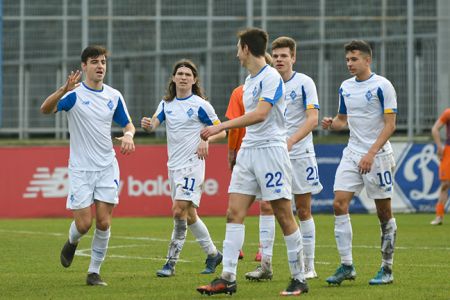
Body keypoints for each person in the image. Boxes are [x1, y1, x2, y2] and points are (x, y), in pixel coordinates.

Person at [197, 27, 308, 296]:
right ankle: (227, 278)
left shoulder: (271, 77)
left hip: (271, 152)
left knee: (283, 214)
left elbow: (260, 115)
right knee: (233, 213)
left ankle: (299, 279)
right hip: (248, 151)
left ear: (246, 48)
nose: (236, 54)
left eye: (238, 48)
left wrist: (220, 127)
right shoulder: (248, 81)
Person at [40, 45, 136, 286]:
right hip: (81, 169)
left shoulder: (113, 96)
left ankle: (94, 272)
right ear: (84, 67)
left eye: (103, 61)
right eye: (94, 62)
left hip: (107, 166)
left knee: (104, 222)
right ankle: (72, 241)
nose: (100, 66)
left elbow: (128, 124)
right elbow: (45, 110)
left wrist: (129, 136)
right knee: (84, 224)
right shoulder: (74, 94)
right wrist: (64, 89)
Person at [245, 36, 322, 282]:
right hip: (273, 153)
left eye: (284, 56)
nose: (279, 59)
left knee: (302, 209)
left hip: (299, 153)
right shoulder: (266, 80)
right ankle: (265, 265)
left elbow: (312, 119)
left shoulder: (304, 83)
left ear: (293, 58)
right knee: (267, 205)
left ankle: (309, 266)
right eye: (275, 55)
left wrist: (291, 141)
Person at [321, 40, 397, 286]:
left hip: (378, 156)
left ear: (367, 60)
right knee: (339, 204)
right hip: (352, 152)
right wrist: (333, 124)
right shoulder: (345, 87)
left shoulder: (382, 86)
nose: (349, 64)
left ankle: (387, 268)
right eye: (347, 60)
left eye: (354, 59)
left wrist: (371, 153)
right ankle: (346, 265)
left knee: (384, 213)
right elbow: (344, 120)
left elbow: (390, 125)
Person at [141, 59, 225, 278]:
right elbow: (154, 125)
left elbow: (222, 131)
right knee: (189, 215)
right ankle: (213, 254)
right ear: (173, 78)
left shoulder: (200, 105)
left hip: (193, 164)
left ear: (194, 79)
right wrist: (147, 125)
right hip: (173, 166)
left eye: (188, 74)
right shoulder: (166, 104)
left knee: (178, 210)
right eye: (180, 73)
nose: (184, 77)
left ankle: (170, 262)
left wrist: (206, 140)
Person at [225, 52, 273, 262]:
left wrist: (231, 152)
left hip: (250, 151)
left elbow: (235, 127)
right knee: (265, 204)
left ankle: (244, 250)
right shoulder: (250, 89)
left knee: (238, 205)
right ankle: (262, 251)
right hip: (262, 151)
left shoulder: (241, 91)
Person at [430, 108, 450, 225]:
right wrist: (439, 147)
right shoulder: (448, 113)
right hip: (448, 150)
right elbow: (435, 129)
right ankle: (439, 216)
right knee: (445, 184)